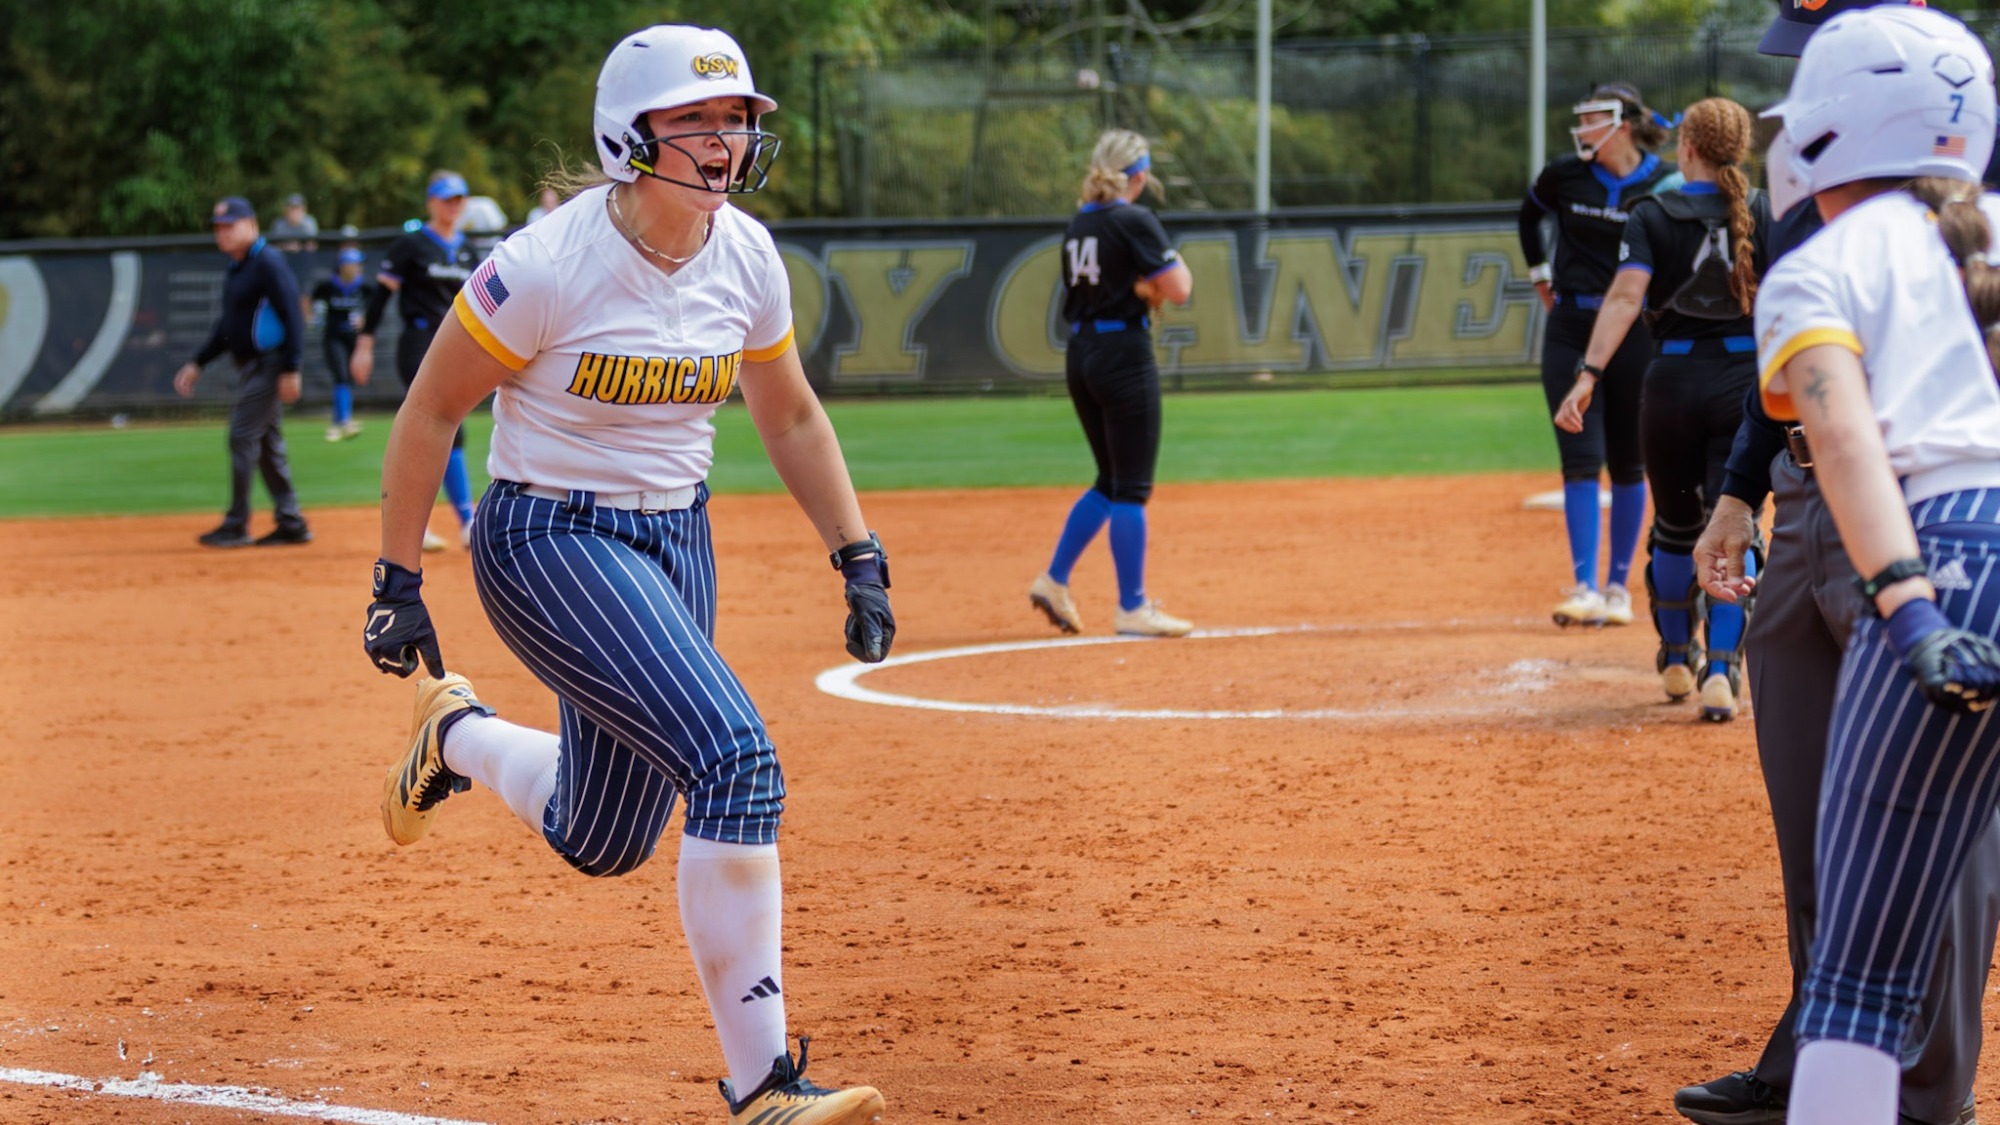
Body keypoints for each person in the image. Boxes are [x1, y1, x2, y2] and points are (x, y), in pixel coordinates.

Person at [359, 24, 891, 1125]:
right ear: (628, 137)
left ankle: (451, 736)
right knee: (736, 759)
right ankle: (763, 1088)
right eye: (694, 120)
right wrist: (395, 577)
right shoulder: (546, 265)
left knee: (604, 839)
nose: (725, 140)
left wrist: (856, 550)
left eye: (736, 119)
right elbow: (430, 411)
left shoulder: (742, 253)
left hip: (672, 542)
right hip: (546, 541)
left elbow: (786, 412)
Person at [1677, 1, 2000, 1121]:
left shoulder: (1838, 254)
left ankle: (1921, 1097)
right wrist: (1735, 490)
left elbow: (1858, 438)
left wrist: (1906, 601)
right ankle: (1819, 1072)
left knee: (1899, 890)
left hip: (1914, 537)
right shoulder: (1948, 226)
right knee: (1853, 823)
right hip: (1865, 509)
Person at [1553, 97, 1769, 721]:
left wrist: (1588, 374)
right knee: (1737, 525)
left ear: (1688, 149)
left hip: (1671, 381)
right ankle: (1722, 671)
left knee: (1676, 527)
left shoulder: (1650, 211)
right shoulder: (1761, 211)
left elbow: (1624, 299)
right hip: (1746, 385)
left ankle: (1677, 655)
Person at [1520, 82, 1681, 628]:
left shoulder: (1663, 180)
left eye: (1593, 119)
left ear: (1625, 124)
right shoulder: (1564, 174)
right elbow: (1527, 217)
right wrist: (1541, 275)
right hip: (1570, 324)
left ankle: (1618, 589)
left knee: (1630, 460)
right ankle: (1585, 585)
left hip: (1635, 330)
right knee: (1579, 454)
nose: (1583, 128)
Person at [1026, 128, 1196, 638]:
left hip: (1082, 355)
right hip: (1124, 354)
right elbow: (1180, 289)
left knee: (1110, 479)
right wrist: (1151, 281)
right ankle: (1132, 606)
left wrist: (1140, 284)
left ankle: (1054, 580)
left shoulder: (1081, 222)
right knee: (1132, 488)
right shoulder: (1133, 217)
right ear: (1139, 176)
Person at [172, 196, 313, 548]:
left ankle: (237, 524)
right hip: (252, 365)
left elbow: (293, 315)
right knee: (266, 444)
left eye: (230, 225)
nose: (223, 233)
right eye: (219, 227)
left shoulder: (267, 262)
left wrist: (292, 367)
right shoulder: (238, 267)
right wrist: (198, 361)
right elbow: (227, 326)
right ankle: (291, 521)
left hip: (271, 364)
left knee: (241, 434)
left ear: (251, 224)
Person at [353, 170, 481, 552]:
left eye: (458, 199)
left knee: (448, 426)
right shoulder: (411, 244)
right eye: (446, 199)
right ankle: (464, 522)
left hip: (457, 344)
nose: (453, 206)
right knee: (439, 425)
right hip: (419, 340)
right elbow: (380, 297)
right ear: (431, 202)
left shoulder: (468, 250)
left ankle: (447, 523)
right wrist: (364, 343)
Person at [308, 247, 377, 442]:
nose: (356, 268)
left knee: (348, 379)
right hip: (334, 337)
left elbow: (375, 307)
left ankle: (336, 423)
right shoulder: (328, 286)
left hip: (354, 339)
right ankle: (345, 422)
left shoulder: (364, 288)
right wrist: (313, 317)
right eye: (353, 264)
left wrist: (366, 318)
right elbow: (308, 300)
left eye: (358, 264)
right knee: (341, 375)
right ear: (342, 266)